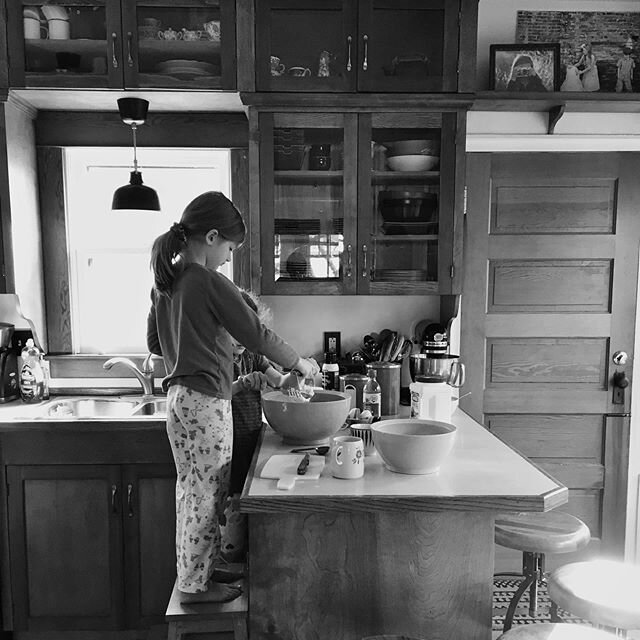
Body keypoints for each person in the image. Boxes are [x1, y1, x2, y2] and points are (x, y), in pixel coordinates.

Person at [147, 191, 317, 603]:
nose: (227, 257)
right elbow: (255, 333)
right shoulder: (205, 280)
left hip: (179, 400)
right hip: (207, 400)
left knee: (191, 490)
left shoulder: (166, 283)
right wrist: (300, 364)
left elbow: (154, 342)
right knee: (209, 493)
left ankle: (200, 571)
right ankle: (194, 587)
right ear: (210, 237)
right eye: (228, 247)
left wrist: (199, 337)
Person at [220, 289, 288, 562]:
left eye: (246, 334)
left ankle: (246, 553)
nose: (240, 341)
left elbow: (278, 380)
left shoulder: (253, 355)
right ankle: (231, 555)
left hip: (251, 433)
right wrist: (243, 383)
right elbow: (219, 391)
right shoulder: (218, 359)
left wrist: (295, 373)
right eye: (233, 332)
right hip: (228, 437)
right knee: (232, 497)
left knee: (246, 493)